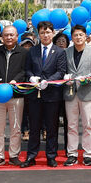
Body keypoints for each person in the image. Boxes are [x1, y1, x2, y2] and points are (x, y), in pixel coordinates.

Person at [23, 21, 67, 167]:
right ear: (38, 34)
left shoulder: (59, 52)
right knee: (34, 127)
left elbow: (61, 71)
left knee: (51, 127)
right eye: (42, 32)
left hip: (52, 94)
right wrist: (31, 77)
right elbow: (27, 69)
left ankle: (51, 156)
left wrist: (48, 81)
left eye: (48, 32)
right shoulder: (32, 51)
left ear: (53, 33)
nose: (45, 35)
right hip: (34, 94)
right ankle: (31, 156)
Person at [62, 25, 91, 166]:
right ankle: (72, 154)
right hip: (70, 92)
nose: (78, 37)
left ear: (86, 36)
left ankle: (88, 155)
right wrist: (65, 78)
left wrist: (86, 78)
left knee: (87, 125)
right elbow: (63, 70)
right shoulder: (66, 52)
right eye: (75, 35)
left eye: (81, 35)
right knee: (71, 125)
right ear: (72, 37)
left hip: (87, 92)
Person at [0, 25, 28, 166]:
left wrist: (16, 80)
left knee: (16, 127)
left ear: (17, 36)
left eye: (12, 35)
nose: (9, 37)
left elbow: (25, 71)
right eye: (6, 35)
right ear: (2, 37)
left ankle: (13, 155)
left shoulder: (24, 53)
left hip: (16, 95)